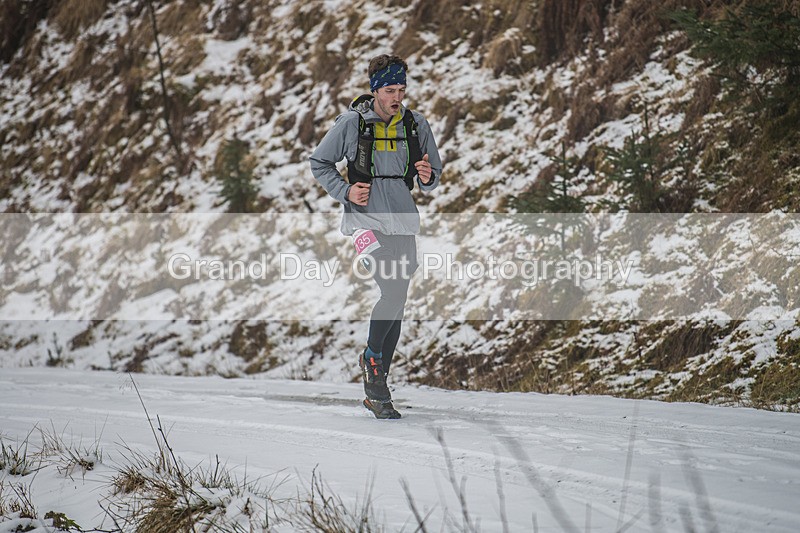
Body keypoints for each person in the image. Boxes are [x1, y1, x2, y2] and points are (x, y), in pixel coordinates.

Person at [309, 54, 442, 419]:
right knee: (393, 289)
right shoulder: (352, 123)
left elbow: (433, 178)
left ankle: (378, 383)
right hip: (364, 222)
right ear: (374, 90)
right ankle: (372, 358)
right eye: (389, 89)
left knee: (399, 300)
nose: (396, 96)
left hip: (403, 220)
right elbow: (319, 162)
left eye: (401, 89)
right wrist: (345, 192)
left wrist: (428, 174)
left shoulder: (416, 124)